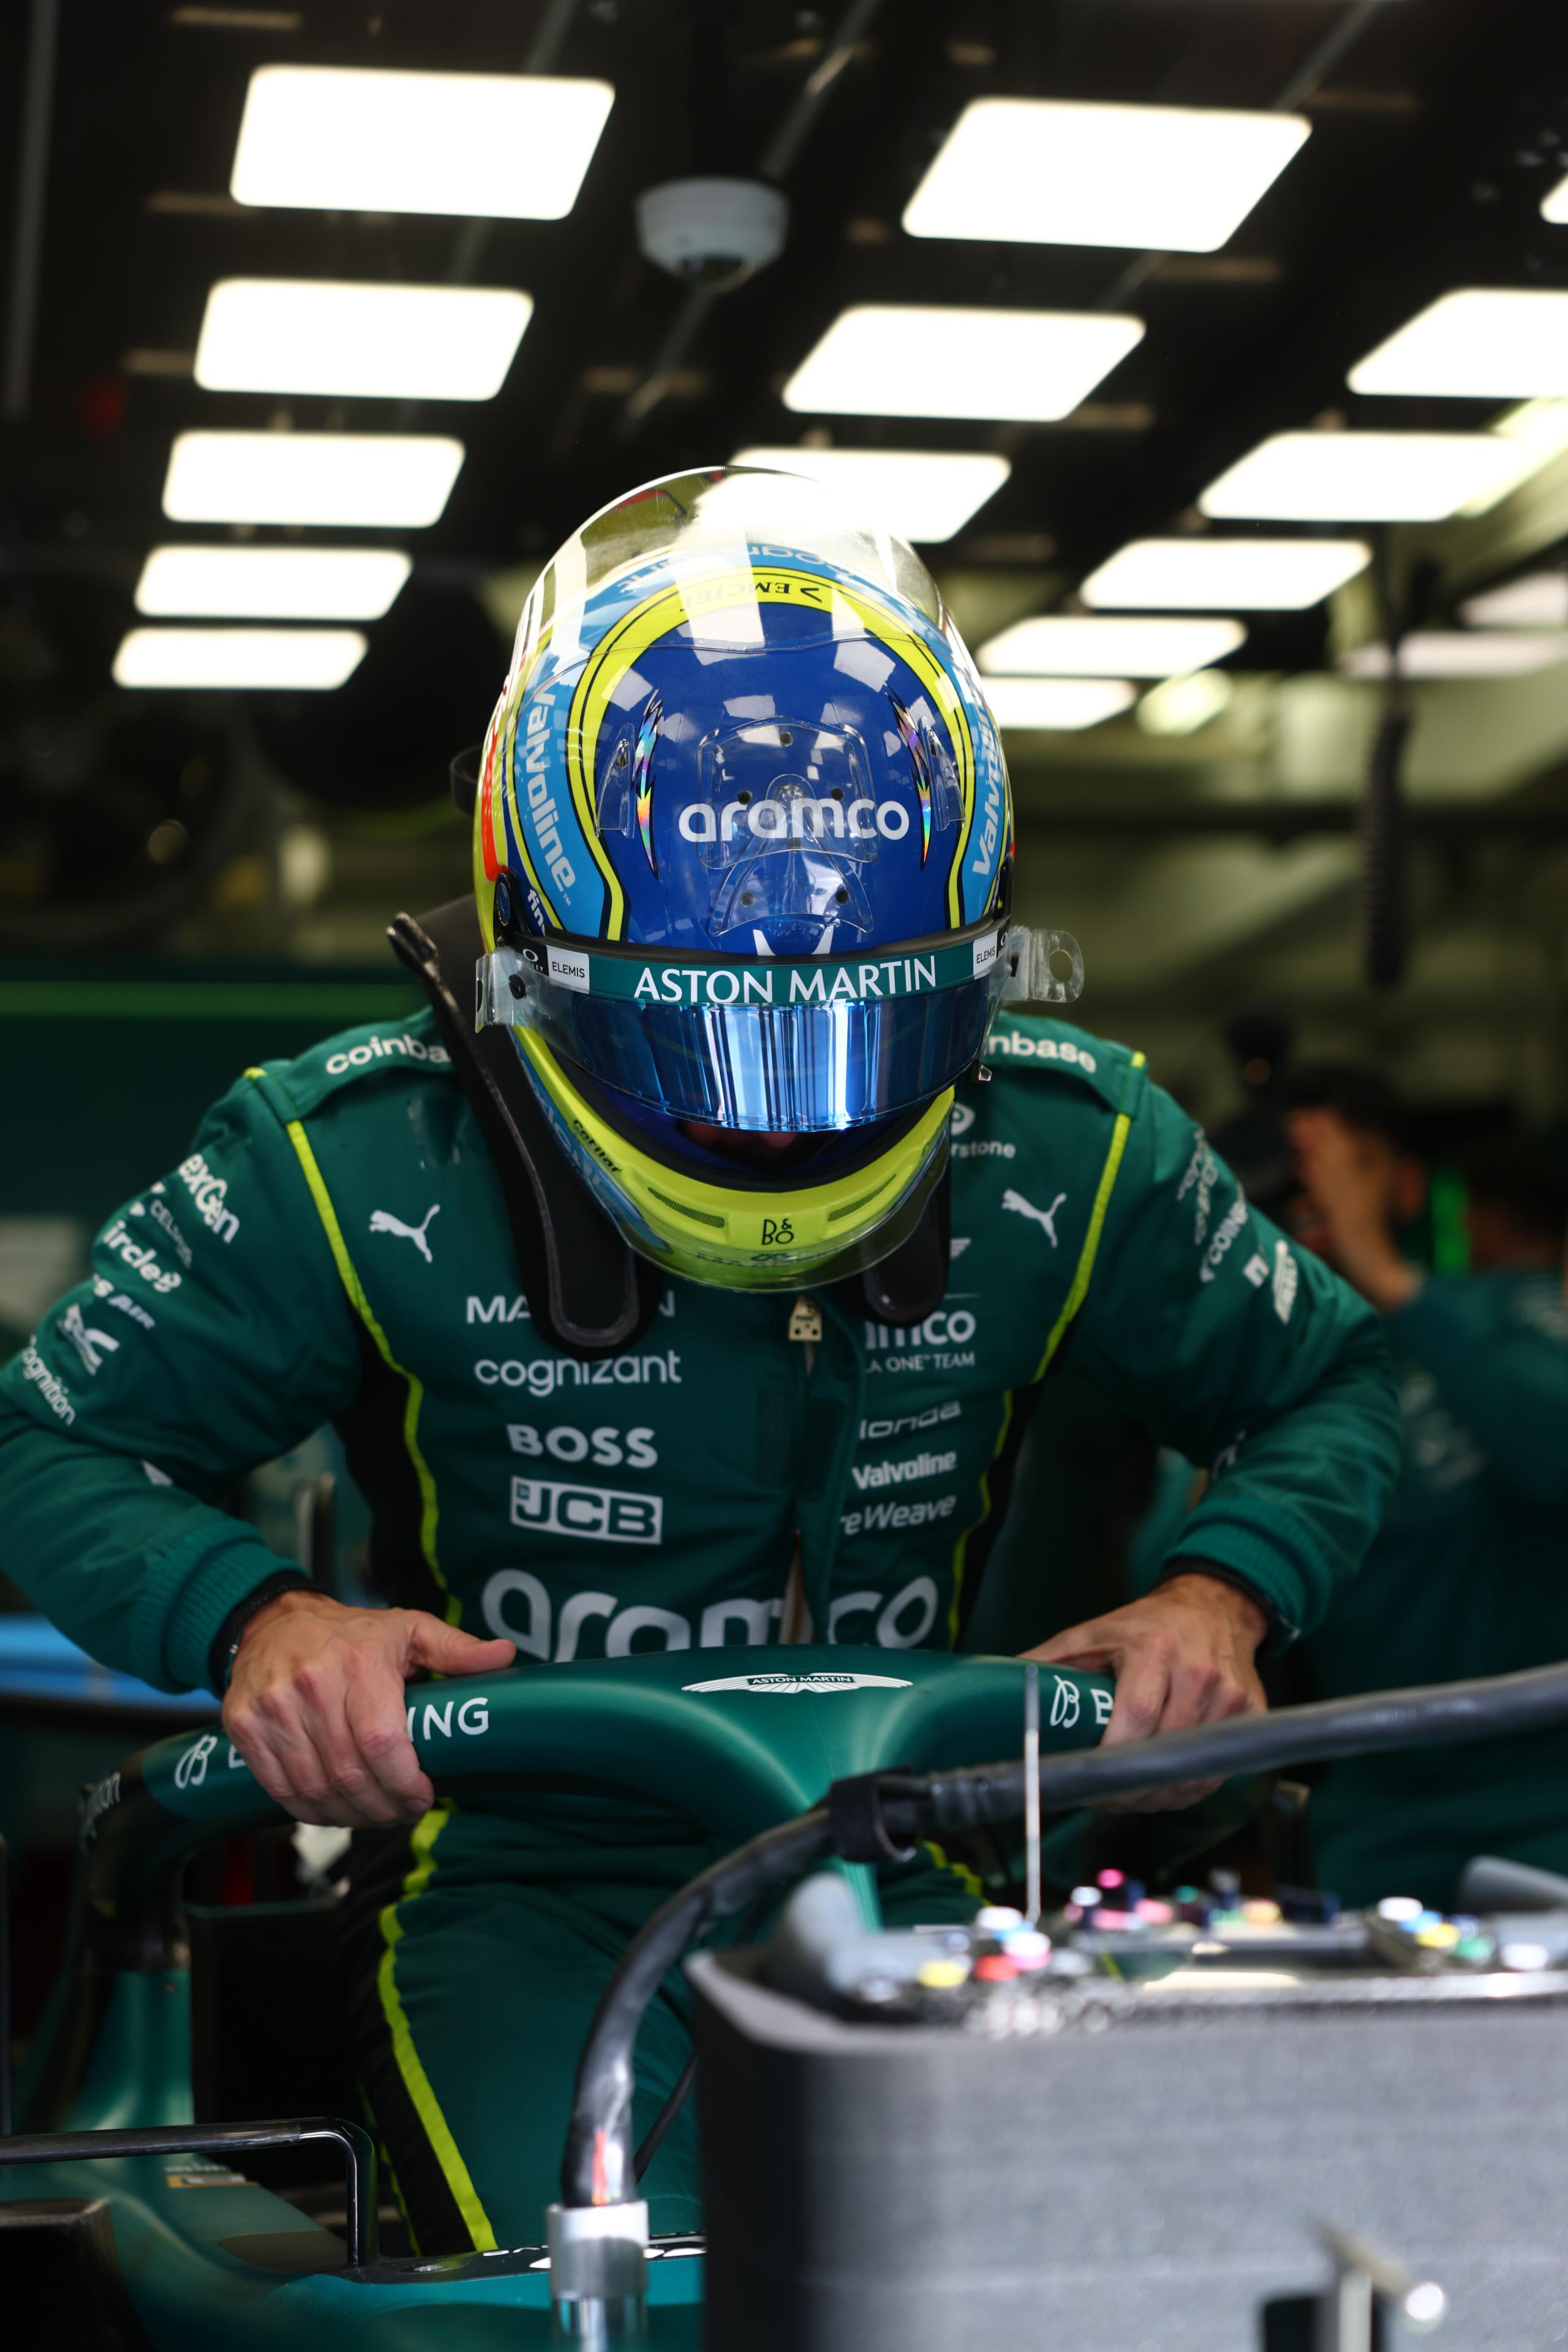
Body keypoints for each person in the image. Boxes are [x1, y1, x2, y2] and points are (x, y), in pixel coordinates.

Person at [0, 470, 1400, 2253]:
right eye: (708, 1042)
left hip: (907, 1847)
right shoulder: (344, 1160)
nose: (783, 1124)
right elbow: (49, 1439)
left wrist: (1221, 1595)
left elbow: (1331, 1381)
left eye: (855, 1036)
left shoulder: (1073, 1141)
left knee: (1062, 2281)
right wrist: (259, 1621)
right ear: (530, 938)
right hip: (522, 1879)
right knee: (590, 2300)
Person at [1286, 1066, 1568, 1909]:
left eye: (1347, 1169)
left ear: (1406, 1186)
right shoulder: (1270, 1365)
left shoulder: (1504, 1308)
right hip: (1371, 1826)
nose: (1320, 1199)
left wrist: (1389, 1280)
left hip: (1548, 1807)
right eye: (1298, 1177)